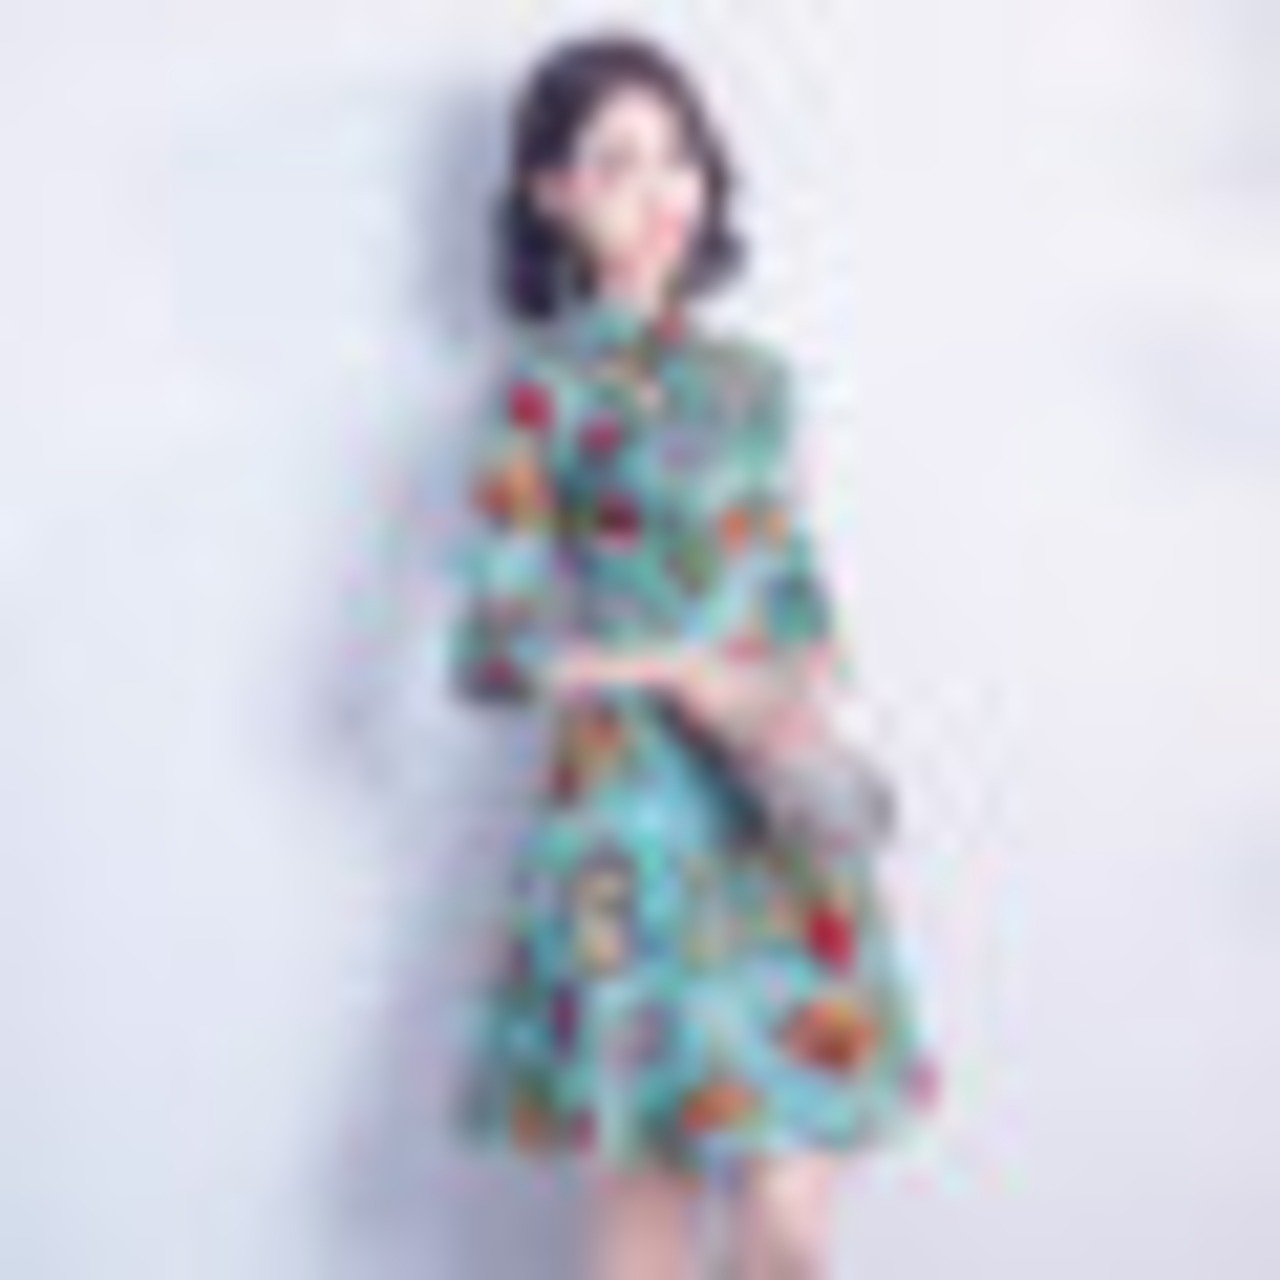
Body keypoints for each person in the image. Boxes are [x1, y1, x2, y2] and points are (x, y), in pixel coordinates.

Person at [445, 28, 942, 1280]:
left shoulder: (755, 385)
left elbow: (796, 591)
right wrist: (677, 671)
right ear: (551, 195)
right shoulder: (542, 389)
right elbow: (491, 652)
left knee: (790, 1224)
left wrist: (801, 707)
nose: (660, 191)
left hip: (772, 809)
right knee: (648, 1221)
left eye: (677, 157)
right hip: (625, 826)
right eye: (614, 164)